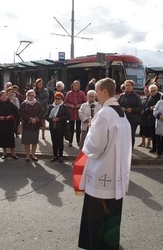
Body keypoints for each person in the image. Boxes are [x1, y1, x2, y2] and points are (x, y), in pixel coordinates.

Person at [78, 77, 132, 250]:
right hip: (116, 172)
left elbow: (96, 145)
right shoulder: (121, 113)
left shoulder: (104, 113)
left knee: (97, 214)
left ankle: (95, 245)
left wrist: (88, 139)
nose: (96, 95)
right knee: (112, 213)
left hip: (101, 173)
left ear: (104, 92)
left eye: (97, 91)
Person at [0, 90, 19, 159]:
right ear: (0, 97)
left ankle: (13, 154)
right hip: (1, 125)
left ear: (7, 97)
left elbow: (16, 113)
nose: (4, 97)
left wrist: (11, 116)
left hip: (9, 125)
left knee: (11, 141)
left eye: (5, 95)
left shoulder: (11, 104)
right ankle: (4, 153)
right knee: (3, 140)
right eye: (2, 96)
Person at [117, 79, 142, 148]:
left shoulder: (136, 97)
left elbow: (140, 108)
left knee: (131, 135)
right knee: (123, 136)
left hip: (133, 120)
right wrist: (120, 109)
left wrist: (132, 109)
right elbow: (117, 105)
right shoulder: (122, 96)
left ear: (132, 86)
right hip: (123, 119)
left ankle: (130, 151)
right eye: (126, 85)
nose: (127, 87)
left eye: (129, 85)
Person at [46, 92, 70, 163]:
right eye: (56, 98)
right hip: (53, 126)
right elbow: (46, 116)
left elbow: (68, 116)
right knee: (54, 141)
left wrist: (59, 119)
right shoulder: (51, 106)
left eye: (58, 99)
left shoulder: (64, 107)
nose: (57, 100)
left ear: (61, 99)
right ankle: (55, 155)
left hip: (61, 127)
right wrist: (51, 119)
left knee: (60, 142)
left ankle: (60, 156)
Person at [20, 89, 43, 161]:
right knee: (27, 141)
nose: (32, 97)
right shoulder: (24, 104)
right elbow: (22, 113)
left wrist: (36, 119)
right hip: (27, 125)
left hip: (35, 125)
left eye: (33, 95)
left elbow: (41, 112)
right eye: (30, 95)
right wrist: (30, 119)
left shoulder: (37, 104)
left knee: (34, 141)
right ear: (27, 96)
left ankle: (33, 155)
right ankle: (27, 156)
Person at [64, 80, 87, 147]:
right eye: (75, 85)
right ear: (72, 86)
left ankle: (78, 141)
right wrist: (70, 105)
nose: (76, 87)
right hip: (71, 113)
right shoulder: (69, 93)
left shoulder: (81, 93)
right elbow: (65, 102)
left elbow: (85, 102)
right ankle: (70, 141)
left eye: (77, 86)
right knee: (71, 128)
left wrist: (79, 105)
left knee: (78, 129)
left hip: (79, 113)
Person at [145, 84, 162, 153]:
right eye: (151, 91)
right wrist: (150, 108)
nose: (153, 92)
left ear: (157, 90)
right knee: (153, 134)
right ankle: (154, 147)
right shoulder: (149, 98)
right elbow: (146, 108)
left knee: (159, 135)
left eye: (154, 90)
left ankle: (160, 148)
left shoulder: (160, 97)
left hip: (158, 118)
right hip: (151, 118)